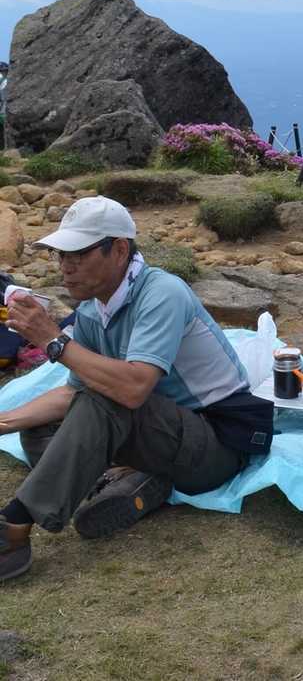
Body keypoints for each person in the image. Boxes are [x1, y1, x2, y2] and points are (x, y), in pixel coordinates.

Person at [0, 197, 272, 581]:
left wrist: (54, 340)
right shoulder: (93, 310)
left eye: (78, 254)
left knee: (103, 397)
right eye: (61, 255)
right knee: (40, 428)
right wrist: (5, 421)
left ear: (119, 250)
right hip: (159, 431)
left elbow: (132, 389)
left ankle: (14, 527)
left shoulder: (162, 293)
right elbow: (71, 392)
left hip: (216, 440)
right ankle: (139, 482)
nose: (65, 266)